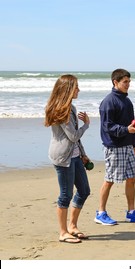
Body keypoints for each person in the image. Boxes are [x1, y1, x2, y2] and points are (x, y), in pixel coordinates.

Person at [95, 68, 135, 225]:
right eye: (125, 82)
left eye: (129, 82)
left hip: (127, 146)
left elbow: (130, 124)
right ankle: (100, 212)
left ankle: (131, 212)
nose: (128, 85)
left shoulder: (127, 101)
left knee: (131, 179)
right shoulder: (108, 102)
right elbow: (107, 127)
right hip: (114, 146)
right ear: (115, 82)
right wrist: (126, 130)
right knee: (109, 179)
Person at [44, 74, 91, 243]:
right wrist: (86, 124)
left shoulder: (71, 107)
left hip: (75, 156)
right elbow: (72, 136)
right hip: (63, 157)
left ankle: (72, 226)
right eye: (76, 86)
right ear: (68, 89)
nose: (79, 89)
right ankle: (63, 232)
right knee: (66, 195)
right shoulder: (60, 109)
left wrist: (83, 153)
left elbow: (75, 140)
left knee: (84, 190)